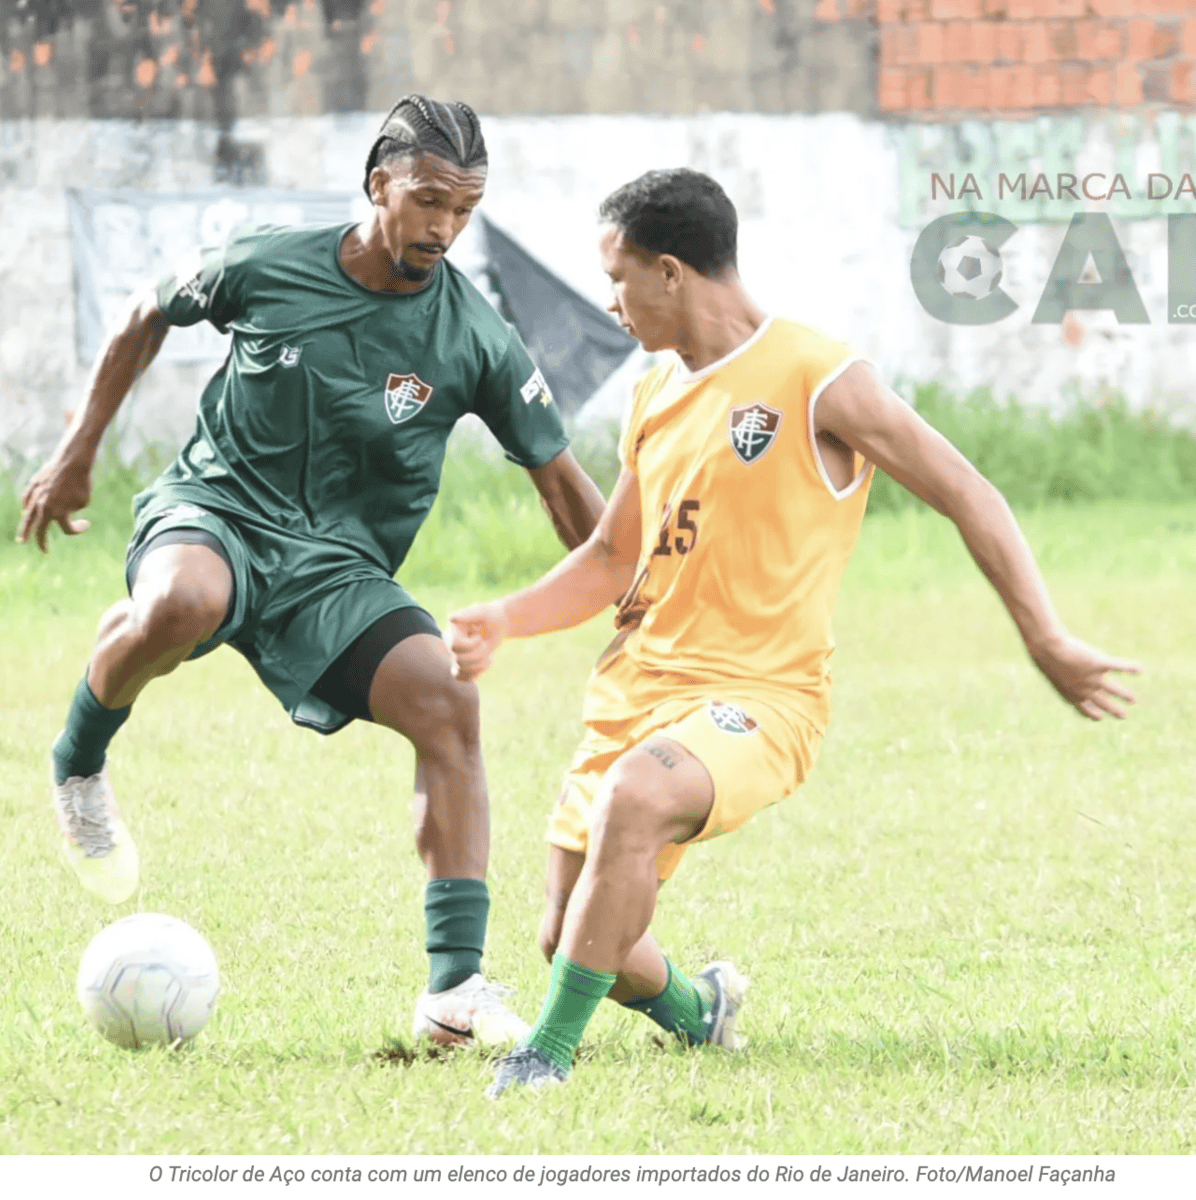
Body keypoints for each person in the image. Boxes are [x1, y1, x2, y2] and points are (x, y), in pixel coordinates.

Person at [446, 168, 1141, 1095]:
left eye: (615, 279)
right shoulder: (656, 395)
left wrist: (1046, 637)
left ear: (670, 273)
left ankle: (546, 1058)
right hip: (636, 688)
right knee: (572, 933)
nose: (607, 302)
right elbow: (615, 558)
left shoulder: (819, 377)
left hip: (762, 700)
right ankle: (701, 1013)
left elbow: (969, 492)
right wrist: (507, 616)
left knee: (635, 799)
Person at [17, 96, 606, 1047]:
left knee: (448, 704)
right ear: (378, 185)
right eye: (426, 201)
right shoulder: (267, 264)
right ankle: (79, 763)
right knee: (183, 602)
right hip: (218, 508)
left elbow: (565, 487)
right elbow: (142, 312)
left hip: (339, 571)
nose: (444, 228)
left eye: (464, 209)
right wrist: (80, 449)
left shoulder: (476, 338)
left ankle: (455, 993)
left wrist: (634, 599)